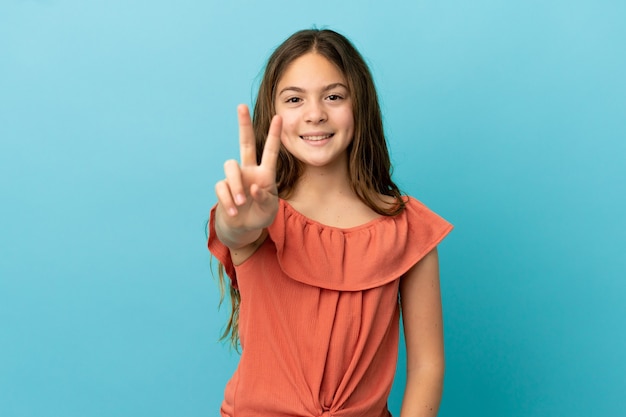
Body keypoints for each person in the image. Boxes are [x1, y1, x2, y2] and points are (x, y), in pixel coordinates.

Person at [208, 28, 453, 417]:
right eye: (294, 99)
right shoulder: (259, 216)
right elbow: (232, 230)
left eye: (334, 96)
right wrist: (239, 219)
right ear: (273, 113)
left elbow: (428, 367)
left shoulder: (408, 229)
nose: (315, 113)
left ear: (360, 105)